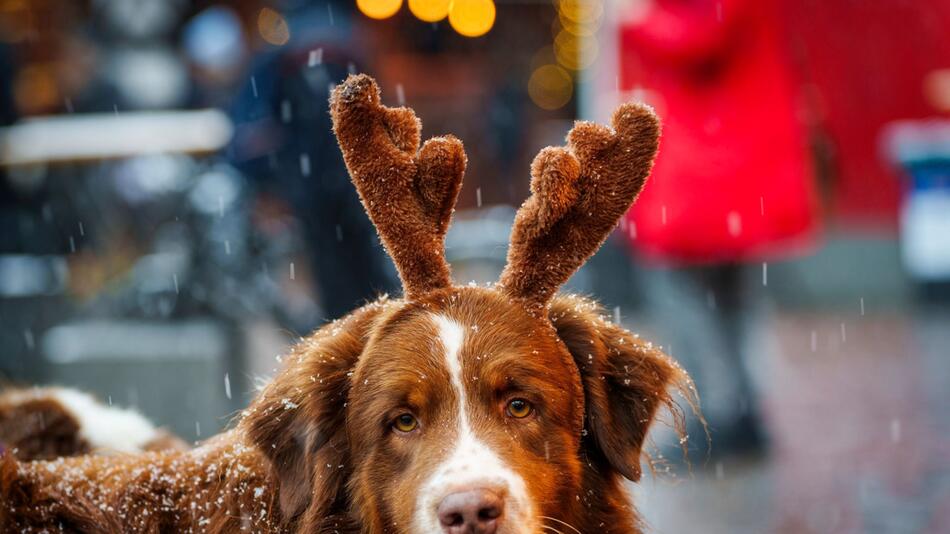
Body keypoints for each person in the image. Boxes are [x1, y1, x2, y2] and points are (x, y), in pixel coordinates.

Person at [618, 0, 820, 460]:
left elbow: (695, 37)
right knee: (731, 290)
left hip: (709, 160)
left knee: (676, 279)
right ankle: (742, 407)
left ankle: (717, 413)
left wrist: (635, 21)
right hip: (740, 161)